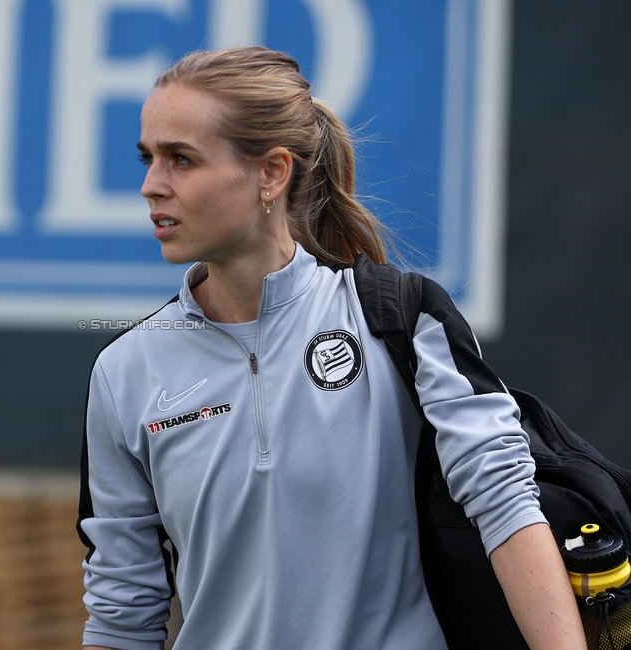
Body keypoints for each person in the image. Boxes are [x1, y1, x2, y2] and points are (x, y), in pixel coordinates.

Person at [77, 47, 584, 649]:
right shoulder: (122, 371)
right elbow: (122, 610)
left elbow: (505, 503)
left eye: (180, 159)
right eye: (148, 157)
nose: (150, 185)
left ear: (272, 173)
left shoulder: (402, 317)